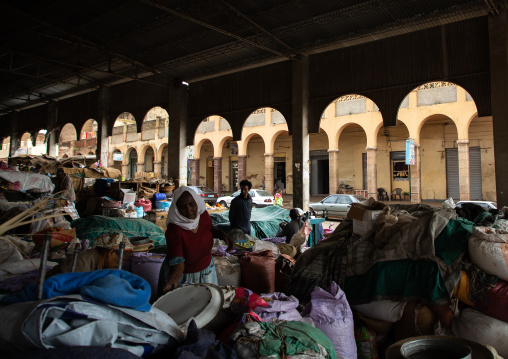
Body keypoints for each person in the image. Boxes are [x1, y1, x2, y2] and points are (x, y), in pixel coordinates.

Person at [159, 186, 234, 295]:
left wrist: (222, 235)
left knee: (209, 303)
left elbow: (208, 227)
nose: (189, 210)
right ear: (176, 208)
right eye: (183, 207)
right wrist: (173, 280)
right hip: (185, 275)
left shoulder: (202, 215)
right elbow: (178, 263)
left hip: (206, 269)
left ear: (197, 203)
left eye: (192, 204)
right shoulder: (174, 230)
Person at [46, 233, 133, 278]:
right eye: (123, 260)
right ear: (111, 253)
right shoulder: (80, 265)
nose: (121, 265)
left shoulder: (97, 263)